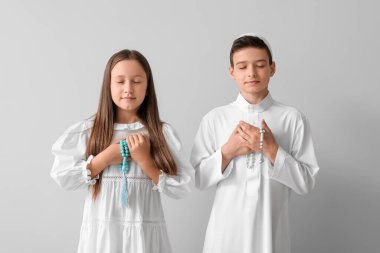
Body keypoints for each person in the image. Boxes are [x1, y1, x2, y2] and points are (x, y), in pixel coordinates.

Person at [51, 49, 194, 253]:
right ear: (108, 86)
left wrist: (146, 163)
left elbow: (183, 186)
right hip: (102, 239)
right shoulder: (89, 130)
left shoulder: (161, 133)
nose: (128, 89)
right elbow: (62, 176)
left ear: (147, 88)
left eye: (136, 81)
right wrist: (105, 158)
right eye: (120, 81)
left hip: (144, 239)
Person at [191, 34, 320, 253]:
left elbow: (306, 182)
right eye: (242, 67)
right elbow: (198, 179)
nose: (251, 73)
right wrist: (227, 152)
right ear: (232, 72)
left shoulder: (292, 118)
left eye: (260, 65)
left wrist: (271, 150)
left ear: (272, 68)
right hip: (224, 235)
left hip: (271, 233)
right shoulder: (215, 118)